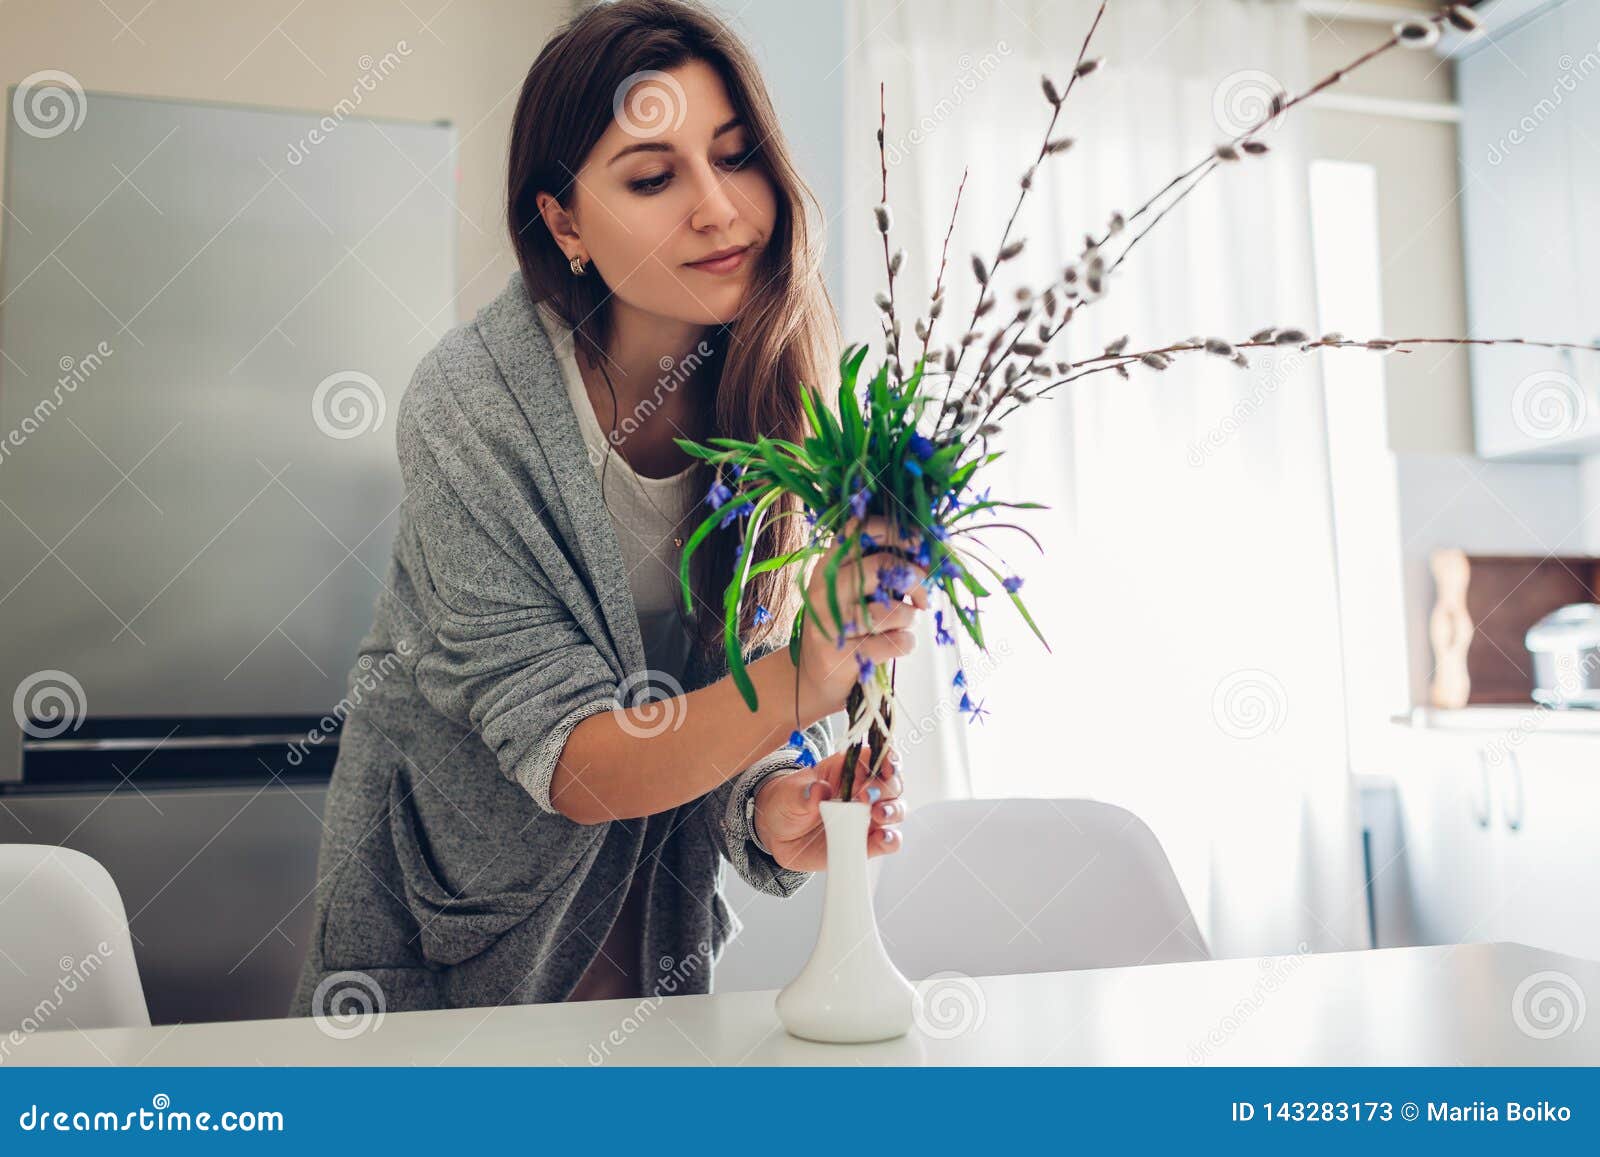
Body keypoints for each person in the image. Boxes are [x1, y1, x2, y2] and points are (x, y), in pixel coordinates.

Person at [290, 0, 925, 1016]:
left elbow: (708, 698)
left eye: (733, 156)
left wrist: (770, 803)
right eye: (653, 175)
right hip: (451, 956)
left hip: (652, 949)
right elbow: (581, 757)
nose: (718, 208)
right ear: (565, 220)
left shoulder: (772, 394)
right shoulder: (474, 407)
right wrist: (803, 676)